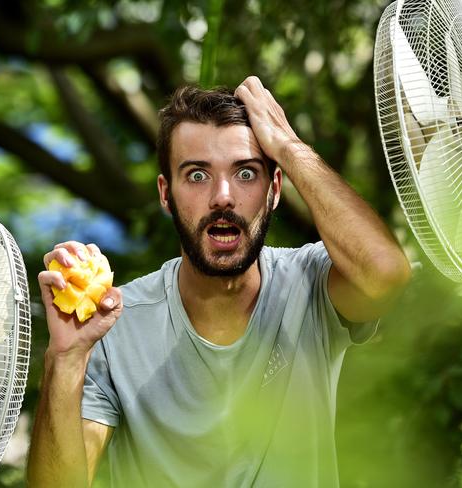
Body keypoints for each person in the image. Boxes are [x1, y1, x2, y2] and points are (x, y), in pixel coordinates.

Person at [27, 76, 411, 487]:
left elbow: (385, 276)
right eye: (196, 176)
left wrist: (287, 145)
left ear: (275, 189)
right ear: (165, 193)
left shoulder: (312, 282)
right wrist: (66, 358)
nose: (223, 196)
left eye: (246, 173)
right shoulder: (112, 323)